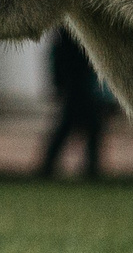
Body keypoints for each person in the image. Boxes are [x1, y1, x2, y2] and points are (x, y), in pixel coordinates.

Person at [36, 25, 108, 179]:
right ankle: (90, 169)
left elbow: (57, 58)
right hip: (78, 86)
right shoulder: (75, 35)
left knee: (74, 126)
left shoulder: (66, 34)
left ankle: (49, 166)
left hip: (75, 85)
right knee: (88, 126)